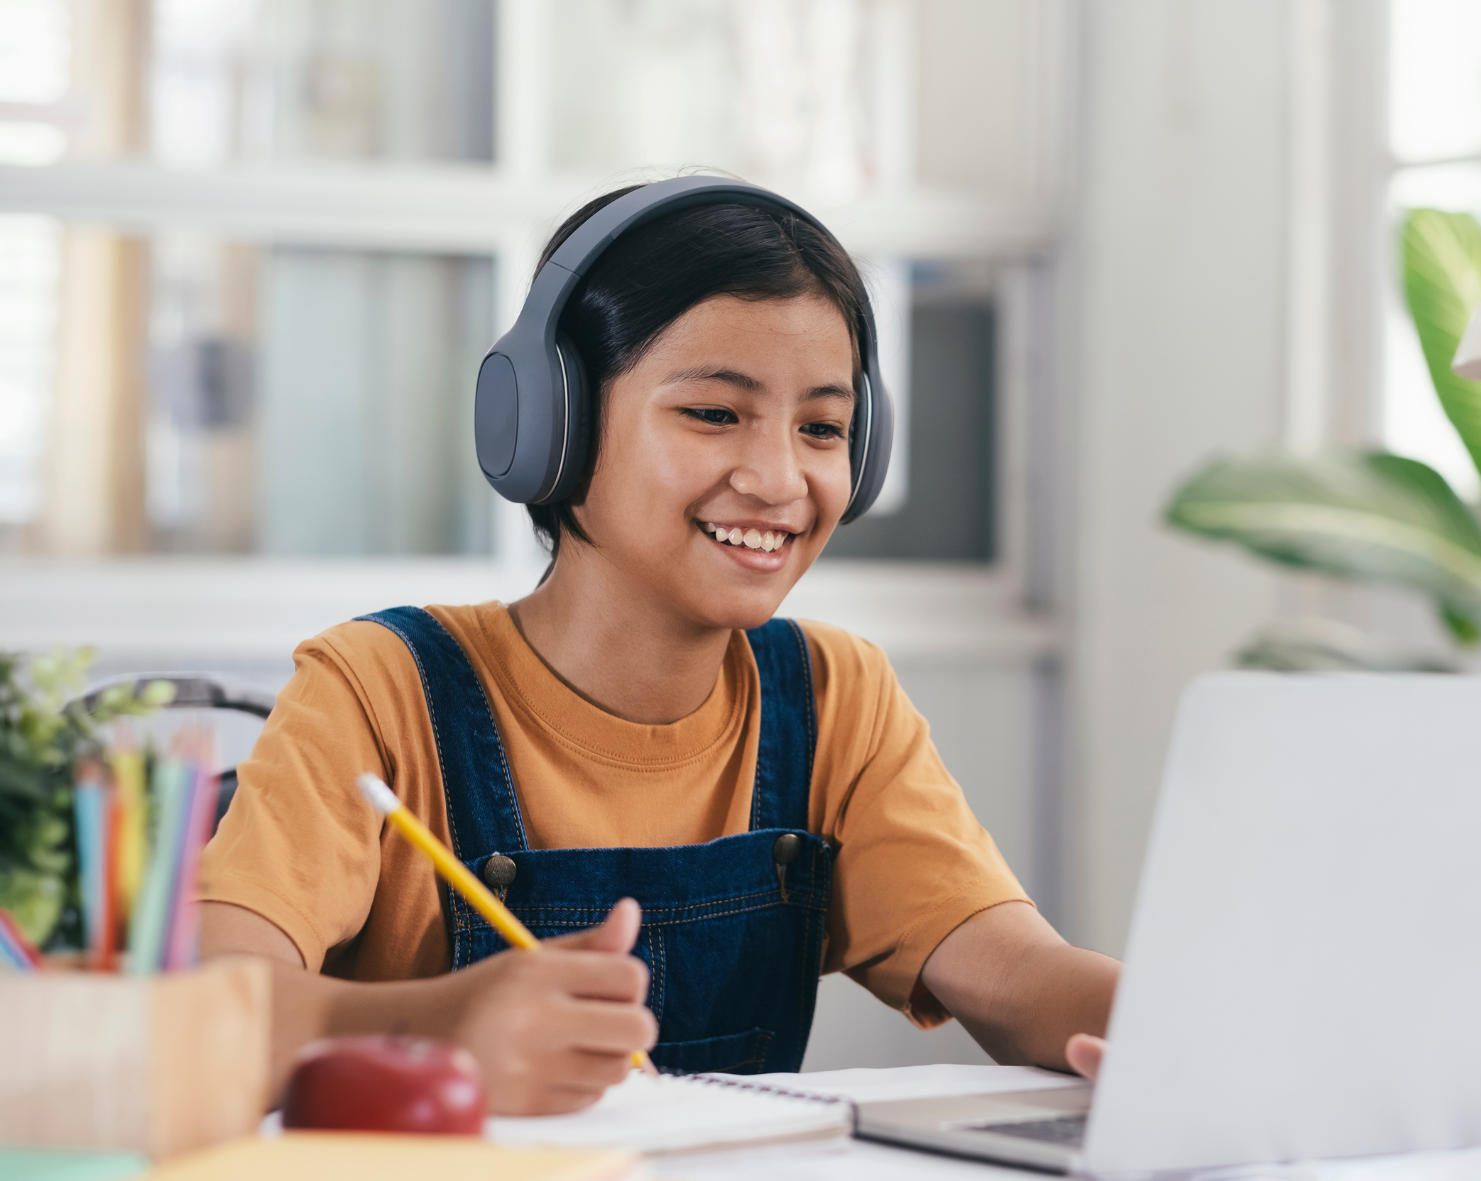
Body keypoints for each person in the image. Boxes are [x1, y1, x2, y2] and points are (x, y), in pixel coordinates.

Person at [199, 180, 1119, 1115]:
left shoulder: (835, 696)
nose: (778, 478)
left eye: (823, 429)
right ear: (551, 425)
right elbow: (209, 1006)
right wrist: (442, 1022)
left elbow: (1016, 973)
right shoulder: (379, 690)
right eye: (715, 414)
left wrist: (1171, 1019)